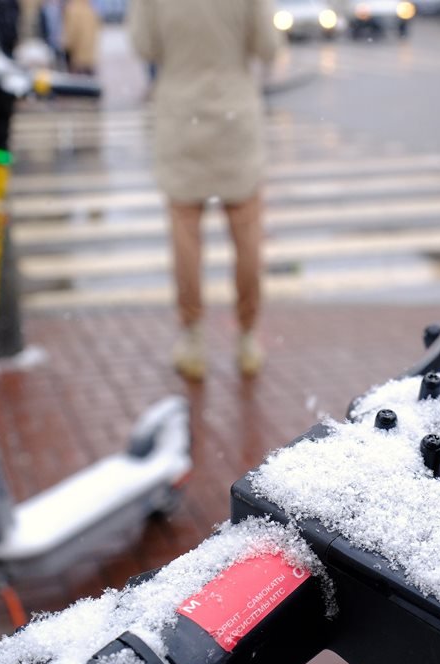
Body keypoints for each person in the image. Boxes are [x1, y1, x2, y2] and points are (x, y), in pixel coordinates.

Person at [127, 0, 280, 380]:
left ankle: (193, 337)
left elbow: (143, 46)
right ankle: (247, 337)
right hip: (235, 114)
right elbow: (268, 47)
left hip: (181, 116)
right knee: (247, 235)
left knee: (185, 238)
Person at [63, 0, 100, 77]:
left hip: (76, 58)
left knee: (77, 84)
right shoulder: (90, 8)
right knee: (89, 84)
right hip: (90, 57)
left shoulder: (72, 9)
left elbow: (71, 34)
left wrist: (65, 47)